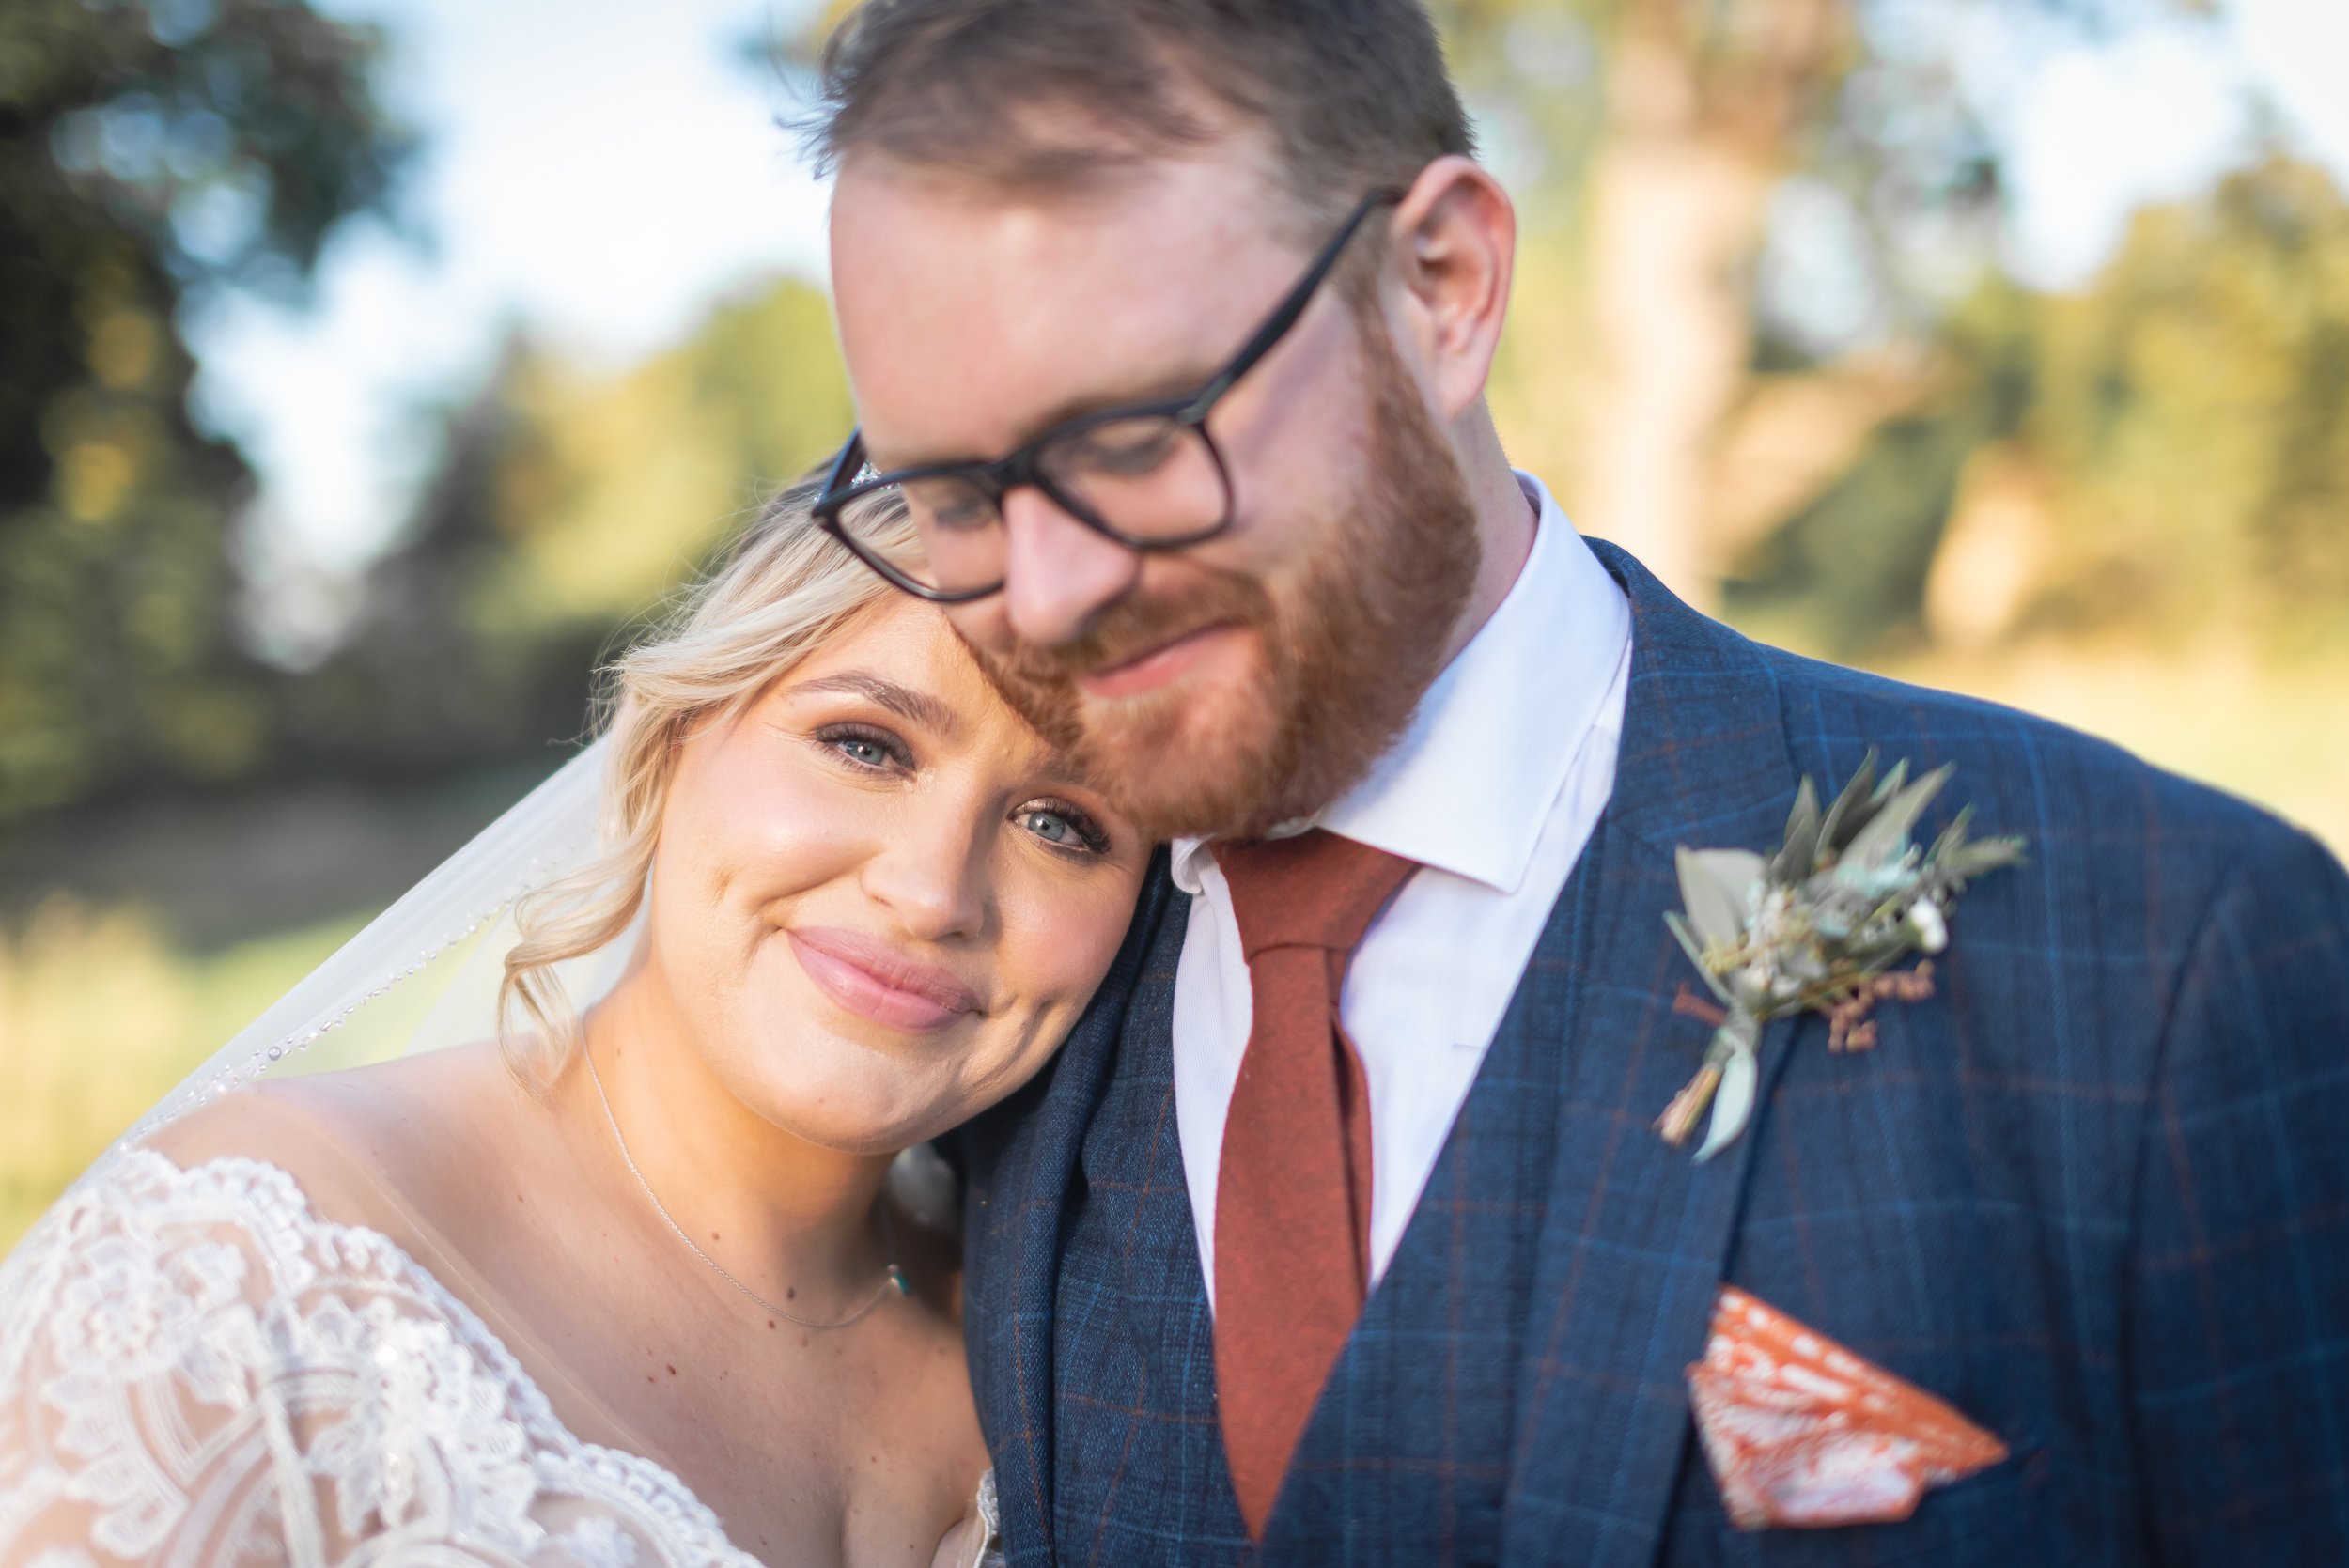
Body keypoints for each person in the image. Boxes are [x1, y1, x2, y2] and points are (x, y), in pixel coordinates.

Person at [801, 1, 2349, 1562]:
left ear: (1442, 288)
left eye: (1133, 437)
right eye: (957, 496)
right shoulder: (999, 994)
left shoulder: (2169, 948)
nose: (1051, 595)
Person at [0, 483, 1152, 1568]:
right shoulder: (230, 1271)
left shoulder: (1059, 1349)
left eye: (1062, 822)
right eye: (865, 744)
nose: (933, 891)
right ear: (672, 740)